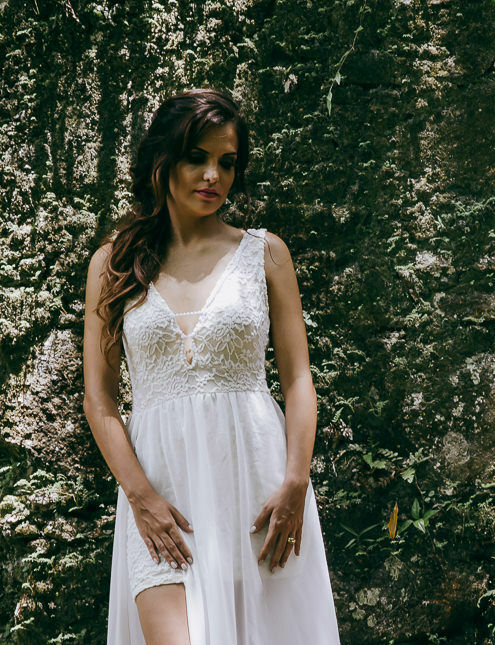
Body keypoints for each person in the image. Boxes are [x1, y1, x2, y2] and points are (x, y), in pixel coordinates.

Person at [82, 88, 342, 644]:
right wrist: (141, 498)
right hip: (162, 500)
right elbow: (99, 400)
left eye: (227, 163)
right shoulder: (114, 262)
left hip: (256, 488)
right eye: (197, 157)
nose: (212, 175)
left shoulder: (265, 253)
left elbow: (298, 379)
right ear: (163, 160)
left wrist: (295, 481)